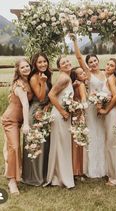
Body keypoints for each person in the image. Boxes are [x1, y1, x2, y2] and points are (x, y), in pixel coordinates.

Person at [71, 36, 106, 178]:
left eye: (94, 61)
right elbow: (79, 58)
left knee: (102, 135)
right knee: (93, 134)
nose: (93, 64)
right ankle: (92, 168)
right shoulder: (89, 75)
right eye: (90, 62)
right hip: (92, 108)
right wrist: (74, 41)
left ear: (98, 61)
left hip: (104, 108)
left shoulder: (105, 73)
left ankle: (104, 166)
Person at [2, 58, 32, 194]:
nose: (26, 68)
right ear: (18, 70)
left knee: (9, 147)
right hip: (10, 120)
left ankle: (9, 167)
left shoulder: (29, 81)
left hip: (18, 120)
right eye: (22, 67)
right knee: (14, 147)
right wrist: (26, 124)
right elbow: (25, 104)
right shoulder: (20, 84)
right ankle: (12, 181)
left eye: (27, 66)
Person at [22, 53, 52, 186]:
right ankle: (33, 177)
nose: (43, 64)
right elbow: (40, 97)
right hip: (35, 113)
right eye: (39, 62)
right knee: (36, 144)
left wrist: (50, 104)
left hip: (44, 111)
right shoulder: (35, 78)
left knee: (44, 144)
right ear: (35, 64)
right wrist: (42, 82)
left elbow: (48, 96)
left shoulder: (46, 75)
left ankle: (43, 174)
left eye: (44, 61)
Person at [45, 55, 74, 188]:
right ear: (59, 67)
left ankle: (58, 177)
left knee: (62, 145)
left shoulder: (67, 78)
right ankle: (62, 178)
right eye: (63, 63)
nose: (67, 63)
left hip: (64, 115)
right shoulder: (64, 78)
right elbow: (51, 94)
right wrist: (62, 111)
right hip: (60, 115)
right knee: (61, 145)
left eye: (68, 61)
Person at [98, 58, 116, 186]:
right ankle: (111, 173)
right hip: (111, 114)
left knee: (113, 145)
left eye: (111, 65)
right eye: (107, 64)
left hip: (112, 114)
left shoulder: (112, 79)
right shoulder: (108, 78)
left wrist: (106, 110)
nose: (108, 66)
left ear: (115, 69)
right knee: (109, 143)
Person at [70, 67, 88, 178]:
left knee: (76, 140)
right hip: (79, 114)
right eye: (81, 73)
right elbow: (83, 99)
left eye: (83, 72)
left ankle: (76, 168)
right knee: (79, 140)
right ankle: (78, 169)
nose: (84, 74)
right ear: (76, 77)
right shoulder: (80, 85)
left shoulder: (77, 84)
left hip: (75, 113)